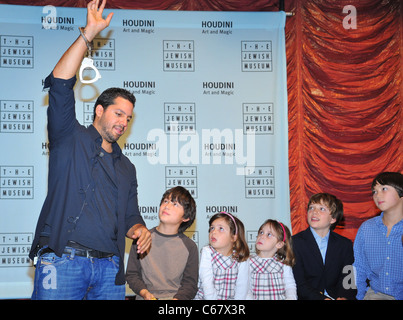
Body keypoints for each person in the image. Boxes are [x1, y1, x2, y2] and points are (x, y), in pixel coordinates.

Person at [29, 0, 151, 300]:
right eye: (118, 113)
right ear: (99, 110)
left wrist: (139, 229)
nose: (124, 122)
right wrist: (89, 33)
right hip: (63, 261)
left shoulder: (127, 167)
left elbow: (130, 216)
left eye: (129, 118)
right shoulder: (69, 137)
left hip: (110, 269)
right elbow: (59, 84)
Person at [126, 186, 198, 300]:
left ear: (185, 217)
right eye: (165, 201)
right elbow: (132, 275)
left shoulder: (190, 246)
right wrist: (144, 293)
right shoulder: (143, 237)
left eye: (175, 204)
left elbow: (190, 284)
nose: (167, 206)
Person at [292, 193, 356, 300]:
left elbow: (348, 280)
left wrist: (344, 297)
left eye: (321, 209)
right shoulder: (295, 242)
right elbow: (299, 284)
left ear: (333, 219)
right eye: (311, 208)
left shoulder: (344, 245)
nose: (314, 212)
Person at [353, 172, 403, 300]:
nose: (377, 195)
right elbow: (358, 268)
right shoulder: (367, 228)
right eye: (374, 191)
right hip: (375, 294)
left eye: (384, 189)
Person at [194, 212, 250, 300]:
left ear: (233, 237)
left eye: (221, 228)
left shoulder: (241, 259)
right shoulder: (207, 252)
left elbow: (242, 288)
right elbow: (207, 283)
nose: (213, 232)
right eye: (212, 228)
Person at [249, 219, 297, 300]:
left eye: (269, 235)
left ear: (279, 244)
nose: (262, 236)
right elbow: (246, 289)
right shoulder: (249, 262)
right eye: (261, 232)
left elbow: (290, 286)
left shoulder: (283, 264)